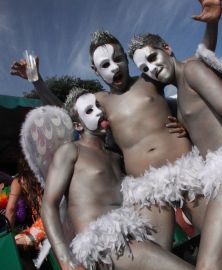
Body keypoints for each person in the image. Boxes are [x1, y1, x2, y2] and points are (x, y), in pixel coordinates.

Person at [11, 1, 221, 253]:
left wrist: (212, 25)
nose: (114, 67)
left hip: (187, 169)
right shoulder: (100, 101)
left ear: (126, 57)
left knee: (218, 242)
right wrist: (38, 82)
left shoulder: (148, 80)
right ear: (95, 70)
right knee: (158, 255)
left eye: (118, 59)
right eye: (105, 65)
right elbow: (66, 110)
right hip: (146, 187)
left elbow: (192, 68)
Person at [128, 29, 222, 270]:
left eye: (152, 59)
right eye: (144, 69)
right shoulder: (180, 93)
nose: (151, 69)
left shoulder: (192, 70)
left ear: (167, 48)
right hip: (219, 179)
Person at [40, 88, 198, 270]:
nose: (99, 111)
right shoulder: (71, 151)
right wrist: (65, 259)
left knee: (157, 199)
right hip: (100, 245)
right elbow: (49, 205)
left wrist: (181, 130)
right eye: (90, 110)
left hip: (130, 232)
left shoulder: (115, 156)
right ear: (78, 125)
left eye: (99, 105)